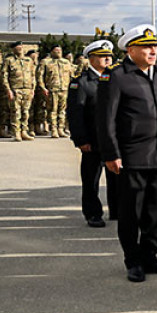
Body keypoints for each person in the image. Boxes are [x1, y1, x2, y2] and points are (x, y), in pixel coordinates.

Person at [96, 24, 157, 282]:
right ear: (131, 49)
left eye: (155, 46)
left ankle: (151, 255)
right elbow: (105, 119)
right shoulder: (117, 76)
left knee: (156, 211)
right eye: (146, 47)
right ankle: (133, 260)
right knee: (132, 211)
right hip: (132, 156)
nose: (153, 51)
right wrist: (111, 153)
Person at [67, 40, 119, 226]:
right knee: (91, 179)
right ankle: (93, 213)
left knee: (116, 177)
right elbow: (75, 114)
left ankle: (117, 210)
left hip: (113, 140)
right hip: (93, 140)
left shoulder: (115, 79)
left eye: (109, 56)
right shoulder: (81, 83)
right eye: (102, 56)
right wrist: (81, 139)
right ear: (91, 58)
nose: (107, 59)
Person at [2, 42, 37, 141]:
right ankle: (16, 132)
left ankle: (24, 131)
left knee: (26, 112)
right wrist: (8, 90)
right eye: (17, 47)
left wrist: (33, 89)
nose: (20, 48)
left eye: (21, 47)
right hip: (15, 90)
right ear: (13, 49)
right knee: (16, 112)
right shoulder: (9, 60)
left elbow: (33, 75)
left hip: (27, 89)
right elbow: (4, 77)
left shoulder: (28, 60)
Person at [38, 46, 74, 138]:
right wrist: (43, 88)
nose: (58, 52)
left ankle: (61, 129)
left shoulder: (66, 62)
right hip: (52, 90)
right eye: (56, 50)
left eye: (60, 50)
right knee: (53, 111)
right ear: (52, 52)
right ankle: (53, 129)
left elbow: (72, 76)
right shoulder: (45, 62)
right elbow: (40, 76)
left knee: (62, 111)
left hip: (64, 89)